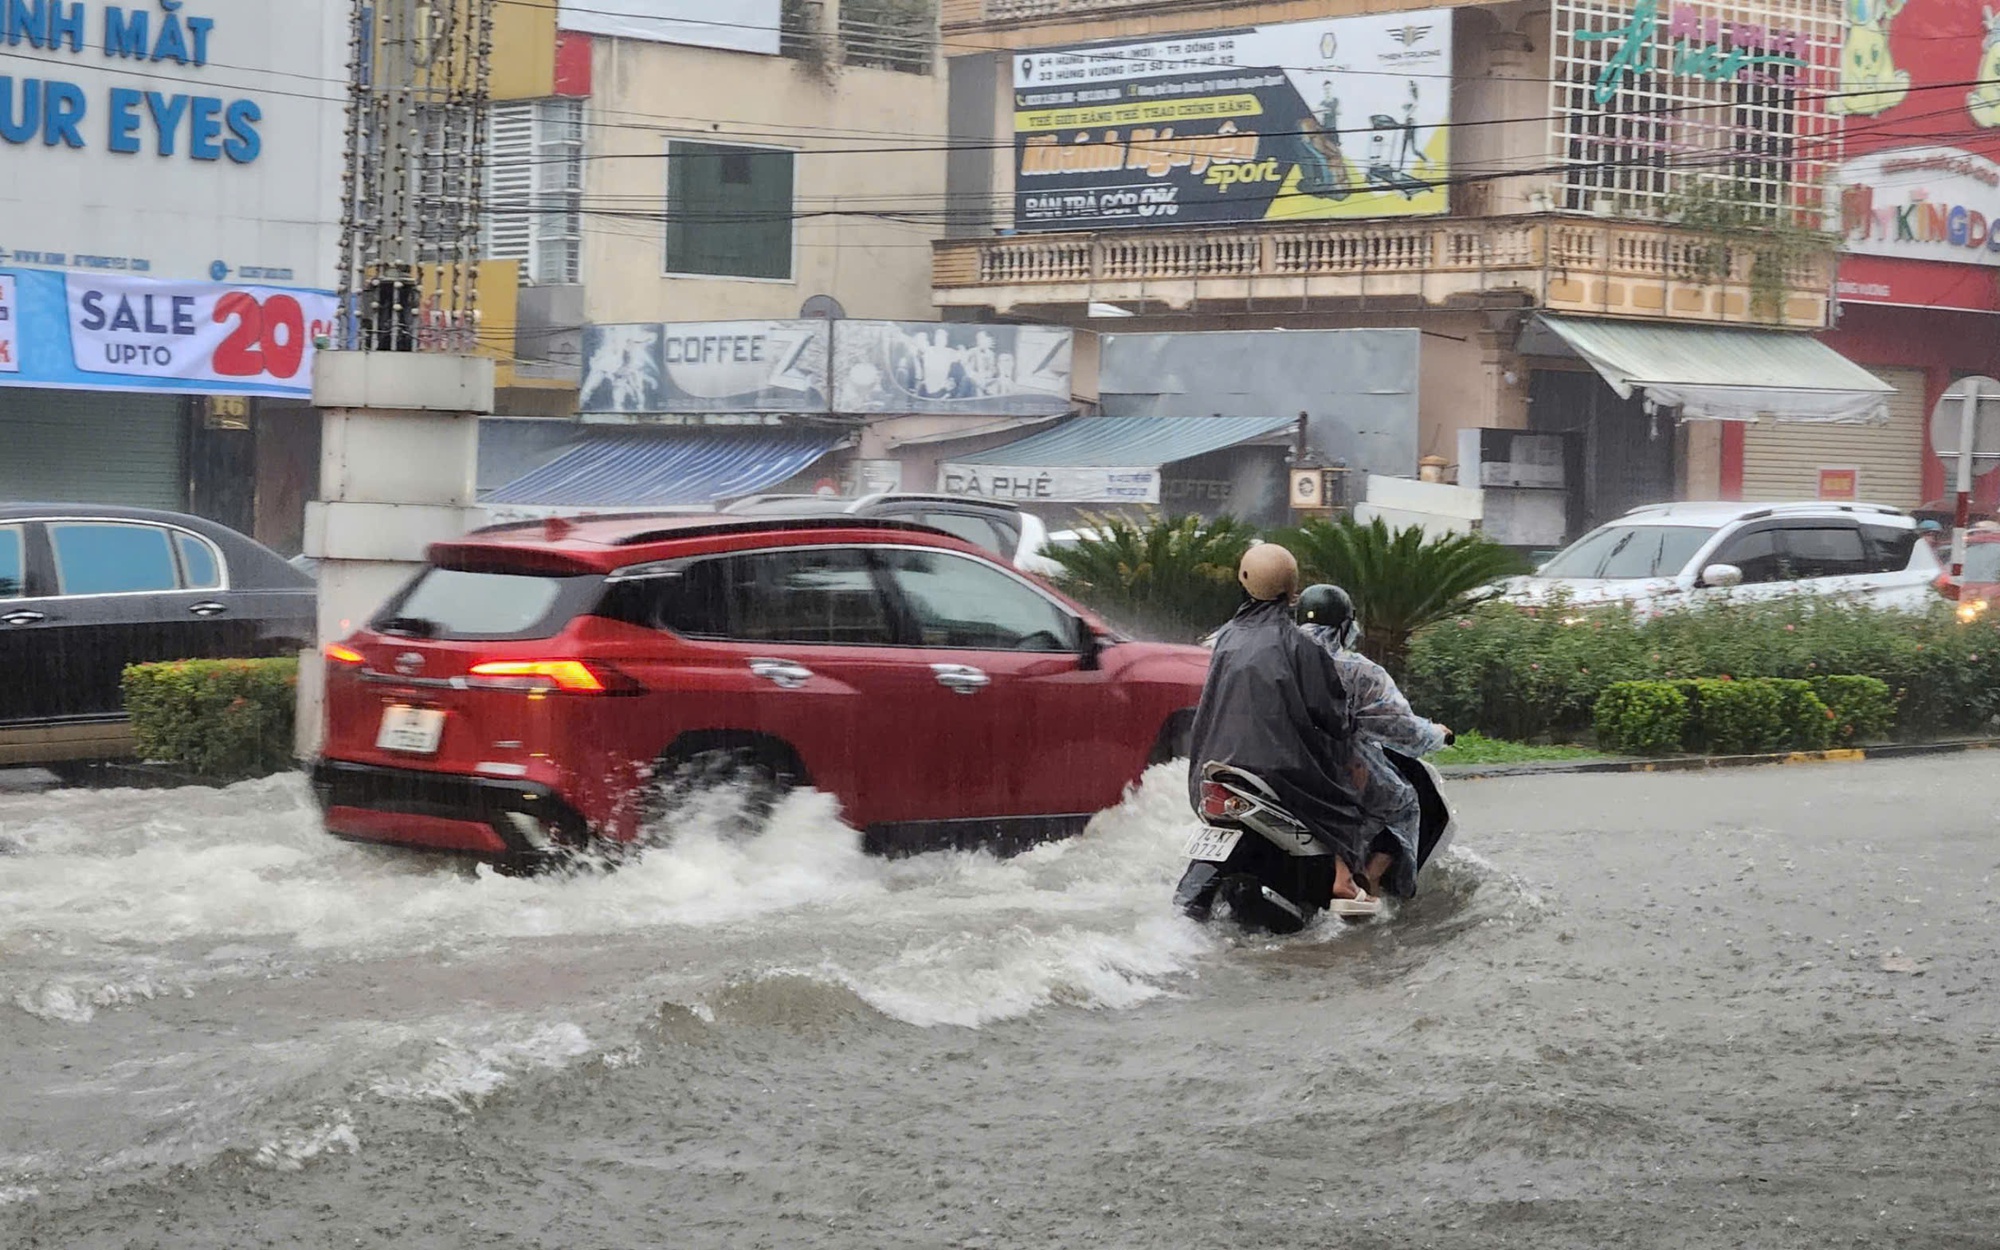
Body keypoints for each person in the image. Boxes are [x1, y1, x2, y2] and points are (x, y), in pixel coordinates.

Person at [1185, 544, 1381, 915]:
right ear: (1292, 590)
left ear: (1243, 580)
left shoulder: (1226, 637)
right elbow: (1333, 717)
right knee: (1347, 797)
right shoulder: (1301, 645)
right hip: (1280, 771)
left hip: (1214, 765)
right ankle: (1343, 879)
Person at [1297, 584, 1451, 901]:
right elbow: (1400, 727)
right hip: (1339, 761)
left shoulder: (1277, 660)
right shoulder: (1357, 670)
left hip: (1280, 759)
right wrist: (1437, 734)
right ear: (1344, 625)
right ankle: (1368, 878)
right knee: (1403, 802)